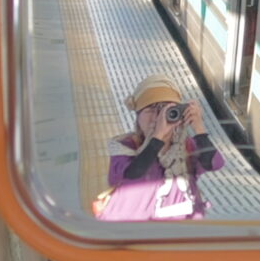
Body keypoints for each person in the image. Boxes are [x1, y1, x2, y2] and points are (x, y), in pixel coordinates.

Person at [94, 75, 224, 221]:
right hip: (132, 228)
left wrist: (199, 129)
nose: (158, 116)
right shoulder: (125, 145)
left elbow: (214, 164)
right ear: (137, 116)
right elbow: (133, 173)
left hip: (178, 227)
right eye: (151, 109)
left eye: (166, 109)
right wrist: (158, 136)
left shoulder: (185, 145)